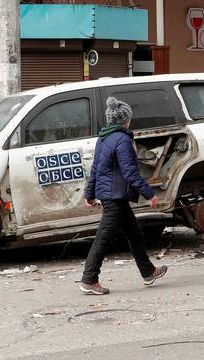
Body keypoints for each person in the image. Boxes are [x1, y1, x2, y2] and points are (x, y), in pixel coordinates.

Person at [81, 97, 168, 295]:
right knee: (103, 238)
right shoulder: (122, 140)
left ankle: (148, 272)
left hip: (111, 195)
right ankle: (89, 279)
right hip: (115, 197)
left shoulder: (103, 138)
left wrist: (90, 193)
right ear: (125, 120)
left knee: (134, 233)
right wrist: (149, 194)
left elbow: (95, 168)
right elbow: (130, 172)